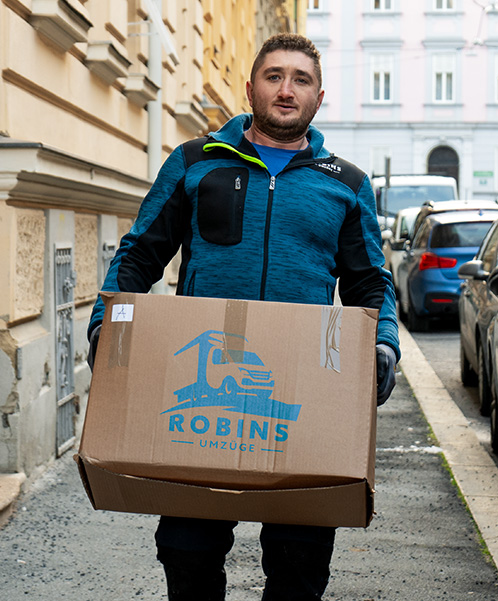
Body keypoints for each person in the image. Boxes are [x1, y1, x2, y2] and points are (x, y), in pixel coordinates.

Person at [87, 33, 400, 601]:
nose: (287, 90)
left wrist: (382, 344)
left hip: (304, 393)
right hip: (201, 397)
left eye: (301, 79)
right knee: (187, 552)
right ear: (251, 86)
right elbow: (139, 255)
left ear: (319, 97)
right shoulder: (193, 161)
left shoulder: (346, 183)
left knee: (299, 564)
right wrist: (110, 328)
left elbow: (368, 281)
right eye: (275, 76)